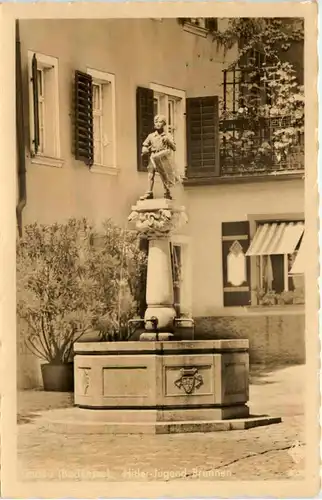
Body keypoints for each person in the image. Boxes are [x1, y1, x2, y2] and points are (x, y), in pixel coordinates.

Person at [140, 115, 178, 200]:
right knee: (150, 174)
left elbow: (174, 148)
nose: (157, 124)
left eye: (160, 122)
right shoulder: (151, 136)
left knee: (164, 174)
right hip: (153, 156)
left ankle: (167, 192)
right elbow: (145, 145)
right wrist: (144, 149)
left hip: (163, 156)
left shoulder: (168, 135)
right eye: (156, 122)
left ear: (164, 123)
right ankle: (149, 192)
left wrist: (168, 141)